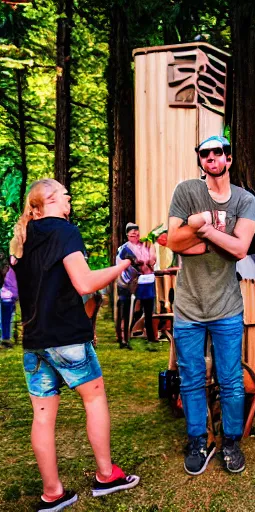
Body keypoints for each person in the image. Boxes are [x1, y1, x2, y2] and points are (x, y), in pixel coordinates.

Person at [9, 178, 140, 511]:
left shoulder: (24, 239)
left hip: (34, 341)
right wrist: (122, 265)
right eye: (65, 195)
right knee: (94, 400)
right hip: (67, 337)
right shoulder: (65, 232)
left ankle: (52, 493)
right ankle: (106, 475)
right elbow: (84, 282)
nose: (69, 200)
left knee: (42, 417)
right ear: (51, 199)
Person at [167, 135, 255, 475]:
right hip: (188, 307)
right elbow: (173, 240)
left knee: (231, 379)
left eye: (218, 152)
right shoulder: (187, 191)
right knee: (191, 378)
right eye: (205, 154)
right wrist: (206, 232)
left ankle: (231, 441)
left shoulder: (245, 200)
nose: (211, 158)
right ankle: (197, 439)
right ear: (200, 160)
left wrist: (200, 227)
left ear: (228, 159)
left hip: (227, 307)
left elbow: (239, 249)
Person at [1, 266, 18, 348]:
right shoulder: (10, 269)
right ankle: (5, 340)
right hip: (7, 297)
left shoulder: (9, 269)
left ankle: (7, 338)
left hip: (9, 297)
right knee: (6, 320)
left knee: (7, 320)